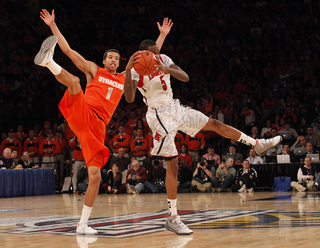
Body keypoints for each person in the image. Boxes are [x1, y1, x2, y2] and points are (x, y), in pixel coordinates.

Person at [125, 38, 281, 235]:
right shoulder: (134, 70)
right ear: (143, 55)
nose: (157, 55)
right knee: (172, 164)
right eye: (153, 53)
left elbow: (185, 77)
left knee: (214, 124)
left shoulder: (162, 58)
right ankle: (173, 217)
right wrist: (128, 71)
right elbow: (129, 98)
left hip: (175, 107)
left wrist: (166, 68)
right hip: (158, 114)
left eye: (158, 52)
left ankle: (256, 144)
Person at [36, 9, 172, 235]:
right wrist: (52, 25)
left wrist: (162, 37)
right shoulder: (94, 70)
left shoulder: (123, 77)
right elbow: (69, 51)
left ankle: (82, 224)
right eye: (110, 57)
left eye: (117, 58)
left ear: (119, 63)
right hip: (85, 112)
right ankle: (48, 61)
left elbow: (148, 59)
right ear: (104, 60)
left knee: (96, 177)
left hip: (97, 129)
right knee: (75, 82)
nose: (113, 60)